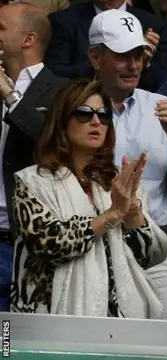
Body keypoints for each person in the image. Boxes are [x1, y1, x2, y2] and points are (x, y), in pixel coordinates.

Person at [10, 78, 167, 317]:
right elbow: (48, 243)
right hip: (47, 318)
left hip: (117, 321)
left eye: (104, 115)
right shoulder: (32, 181)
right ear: (62, 121)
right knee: (7, 346)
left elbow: (147, 256)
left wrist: (131, 209)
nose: (96, 121)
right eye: (84, 113)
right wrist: (112, 214)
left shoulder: (116, 182)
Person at [87, 8, 167, 320]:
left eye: (139, 54)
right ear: (96, 58)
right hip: (96, 244)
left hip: (154, 247)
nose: (133, 65)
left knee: (163, 345)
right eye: (123, 55)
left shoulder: (165, 107)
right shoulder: (76, 108)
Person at [0, 2, 67, 312]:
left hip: (25, 245)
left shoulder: (63, 92)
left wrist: (9, 96)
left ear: (28, 39)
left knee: (9, 343)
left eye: (0, 28)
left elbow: (55, 144)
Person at [45, 0, 167, 92]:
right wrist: (106, 61)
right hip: (82, 108)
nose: (132, 64)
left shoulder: (154, 25)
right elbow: (53, 76)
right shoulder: (64, 21)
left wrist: (144, 61)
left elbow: (164, 84)